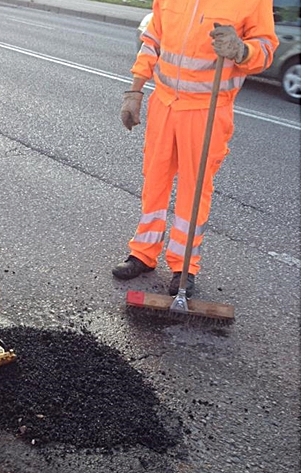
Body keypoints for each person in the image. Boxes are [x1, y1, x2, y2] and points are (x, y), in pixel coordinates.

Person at [112, 1, 277, 297]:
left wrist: (241, 50)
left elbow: (265, 50)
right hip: (164, 102)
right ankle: (143, 253)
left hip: (207, 109)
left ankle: (184, 266)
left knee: (194, 188)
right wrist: (134, 91)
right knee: (154, 181)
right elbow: (152, 41)